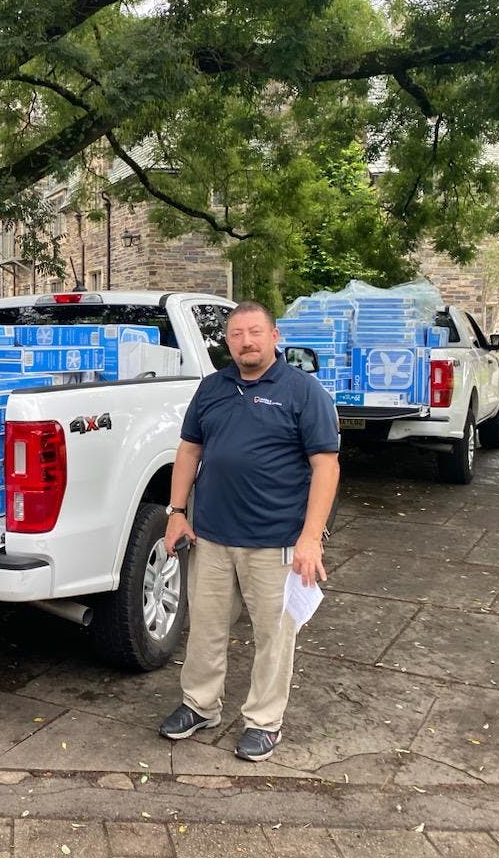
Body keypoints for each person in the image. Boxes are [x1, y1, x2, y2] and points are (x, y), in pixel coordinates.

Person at [158, 301, 340, 761]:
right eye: (236, 334)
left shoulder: (303, 392)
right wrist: (177, 512)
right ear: (228, 341)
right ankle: (200, 705)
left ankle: (264, 721)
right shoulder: (212, 388)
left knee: (274, 637)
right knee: (205, 629)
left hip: (275, 542)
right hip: (212, 537)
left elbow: (326, 466)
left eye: (255, 332)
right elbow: (188, 452)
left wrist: (310, 537)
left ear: (275, 337)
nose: (246, 341)